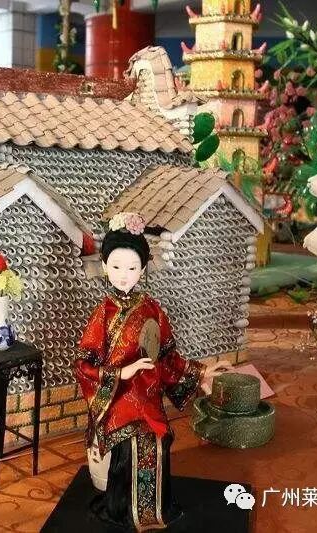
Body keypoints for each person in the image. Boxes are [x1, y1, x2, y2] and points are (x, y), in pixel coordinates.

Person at [74, 212, 232, 531]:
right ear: (104, 266)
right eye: (116, 266)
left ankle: (153, 509)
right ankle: (123, 510)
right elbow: (83, 364)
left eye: (132, 268)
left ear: (143, 269)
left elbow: (167, 357)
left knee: (158, 438)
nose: (124, 275)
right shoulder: (103, 313)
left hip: (147, 397)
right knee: (135, 443)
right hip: (118, 400)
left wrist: (199, 373)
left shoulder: (152, 309)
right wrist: (122, 373)